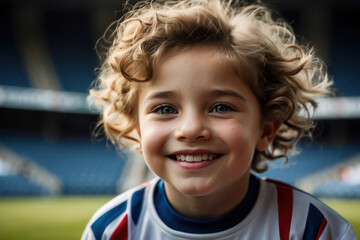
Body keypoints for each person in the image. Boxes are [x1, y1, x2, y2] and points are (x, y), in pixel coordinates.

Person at [81, 0, 357, 239]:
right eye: (165, 109)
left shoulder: (316, 229)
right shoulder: (109, 230)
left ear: (266, 129)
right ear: (137, 129)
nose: (190, 129)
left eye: (221, 107)